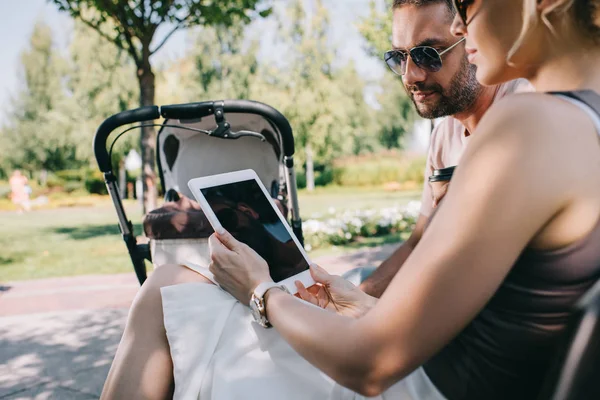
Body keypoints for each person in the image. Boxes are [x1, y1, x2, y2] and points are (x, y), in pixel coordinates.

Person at [101, 0, 600, 398]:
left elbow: (371, 366)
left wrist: (260, 291)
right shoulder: (582, 124)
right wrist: (360, 303)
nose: (464, 24)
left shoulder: (529, 124)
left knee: (164, 292)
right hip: (436, 368)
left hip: (412, 383)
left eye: (467, 3)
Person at [359, 0, 532, 297]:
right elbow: (419, 244)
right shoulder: (443, 136)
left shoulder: (527, 111)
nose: (410, 76)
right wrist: (355, 296)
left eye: (428, 55)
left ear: (472, 39)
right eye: (400, 57)